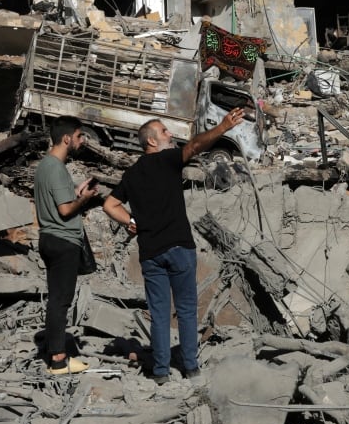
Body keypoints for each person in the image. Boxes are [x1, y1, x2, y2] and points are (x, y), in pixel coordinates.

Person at [102, 108, 245, 383]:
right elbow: (193, 146)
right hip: (179, 248)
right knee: (187, 310)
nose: (170, 136)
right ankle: (190, 367)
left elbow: (109, 204)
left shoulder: (131, 174)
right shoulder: (168, 160)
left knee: (159, 313)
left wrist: (129, 221)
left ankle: (160, 371)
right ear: (152, 141)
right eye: (165, 132)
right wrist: (223, 127)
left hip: (151, 253)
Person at [34, 116, 98, 375]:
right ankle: (58, 359)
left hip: (49, 238)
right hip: (63, 240)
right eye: (80, 136)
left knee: (56, 299)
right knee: (61, 301)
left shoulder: (45, 166)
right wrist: (84, 200)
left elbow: (55, 201)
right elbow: (65, 210)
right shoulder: (57, 168)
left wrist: (77, 192)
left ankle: (56, 352)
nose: (82, 141)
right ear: (67, 138)